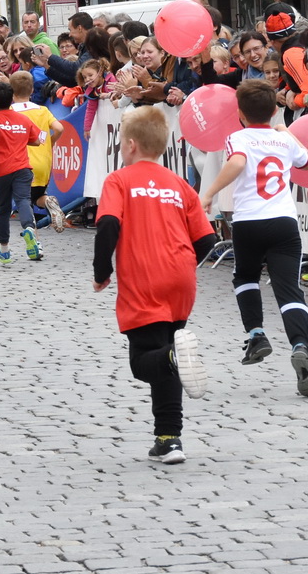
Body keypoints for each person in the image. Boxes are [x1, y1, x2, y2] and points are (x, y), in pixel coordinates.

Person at [93, 105, 217, 464]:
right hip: (180, 278)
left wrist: (102, 272)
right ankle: (169, 439)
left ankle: (175, 357)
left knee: (146, 361)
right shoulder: (179, 185)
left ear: (129, 145)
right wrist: (180, 263)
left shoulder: (118, 180)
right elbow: (207, 242)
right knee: (168, 356)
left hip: (145, 277)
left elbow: (108, 226)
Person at [199, 79, 308, 398]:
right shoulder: (283, 139)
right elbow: (307, 161)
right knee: (289, 288)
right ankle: (300, 345)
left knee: (245, 277)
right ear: (274, 110)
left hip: (249, 221)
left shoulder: (236, 137)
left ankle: (256, 334)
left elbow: (238, 161)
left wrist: (209, 193)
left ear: (240, 112)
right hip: (283, 221)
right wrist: (286, 132)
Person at [0, 80, 44, 263]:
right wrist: (21, 140)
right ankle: (29, 229)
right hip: (23, 167)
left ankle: (4, 249)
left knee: (3, 209)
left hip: (1, 169)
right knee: (24, 200)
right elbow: (37, 140)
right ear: (12, 99)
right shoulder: (24, 119)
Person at [8, 71, 66, 232]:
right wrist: (50, 143)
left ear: (11, 92)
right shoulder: (42, 110)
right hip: (43, 161)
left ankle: (32, 237)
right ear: (32, 90)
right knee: (38, 196)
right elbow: (59, 128)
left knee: (24, 200)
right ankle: (48, 201)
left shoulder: (11, 112)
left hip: (22, 162)